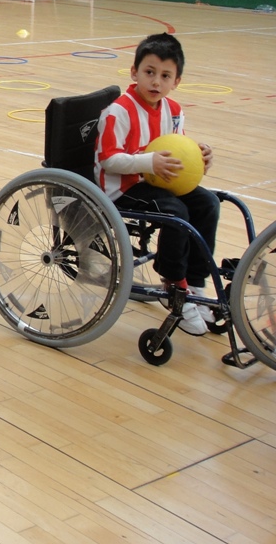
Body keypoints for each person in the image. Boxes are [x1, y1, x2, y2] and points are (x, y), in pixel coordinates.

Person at [94, 33, 220, 336]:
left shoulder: (173, 110)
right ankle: (174, 285)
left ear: (176, 81)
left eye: (165, 76)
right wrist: (149, 162)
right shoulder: (118, 112)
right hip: (122, 189)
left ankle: (197, 282)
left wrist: (201, 156)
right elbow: (109, 159)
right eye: (149, 73)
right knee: (176, 213)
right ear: (134, 72)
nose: (156, 82)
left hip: (158, 182)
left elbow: (178, 147)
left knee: (207, 203)